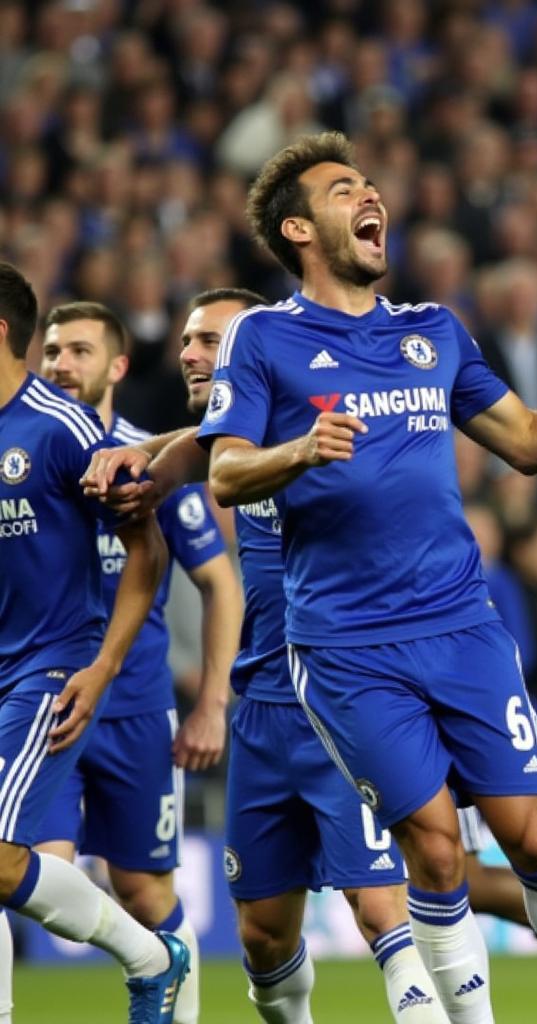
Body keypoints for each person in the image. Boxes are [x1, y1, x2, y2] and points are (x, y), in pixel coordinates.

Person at [196, 131, 537, 1024]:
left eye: (369, 182)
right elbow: (225, 475)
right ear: (299, 230)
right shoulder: (261, 340)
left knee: (530, 837)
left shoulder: (432, 331)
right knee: (432, 851)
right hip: (346, 646)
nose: (368, 195)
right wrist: (298, 451)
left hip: (462, 626)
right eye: (342, 188)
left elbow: (530, 439)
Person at [91, 287, 450, 1024]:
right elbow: (192, 451)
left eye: (208, 340)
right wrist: (140, 450)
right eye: (186, 339)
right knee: (261, 933)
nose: (190, 353)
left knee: (381, 908)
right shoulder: (231, 448)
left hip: (342, 693)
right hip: (262, 708)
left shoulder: (330, 427)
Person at [31, 300, 243, 1024]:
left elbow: (219, 583)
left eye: (81, 351)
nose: (62, 363)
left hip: (134, 712)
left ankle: (180, 1008)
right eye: (53, 349)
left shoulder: (149, 464)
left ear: (117, 366)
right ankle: (143, 962)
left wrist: (213, 702)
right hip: (45, 702)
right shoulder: (23, 451)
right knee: (32, 870)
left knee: (146, 891)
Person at [0, 261, 189, 1023]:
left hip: (49, 667)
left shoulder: (62, 428)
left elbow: (146, 550)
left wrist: (103, 666)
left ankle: (149, 955)